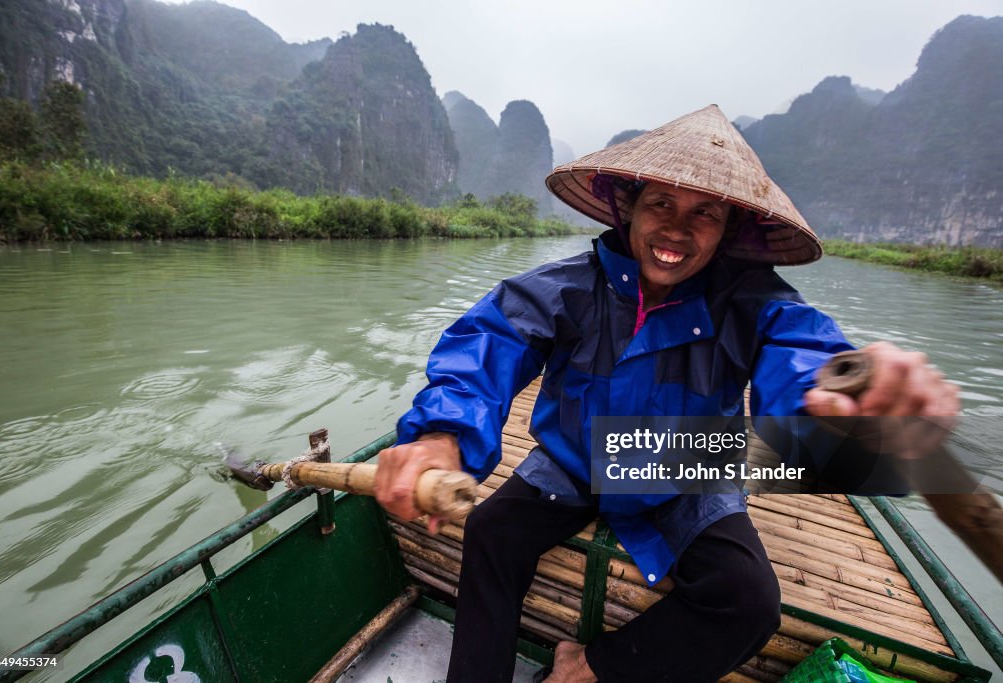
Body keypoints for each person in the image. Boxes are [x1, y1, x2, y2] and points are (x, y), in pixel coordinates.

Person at [374, 105, 958, 682]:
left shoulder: (755, 302)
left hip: (688, 471)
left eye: (705, 212)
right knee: (490, 535)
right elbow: (489, 344)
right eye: (661, 203)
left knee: (749, 601)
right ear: (629, 209)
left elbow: (806, 359)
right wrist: (442, 434)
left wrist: (842, 398)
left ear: (729, 227)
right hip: (574, 462)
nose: (677, 228)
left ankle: (589, 667)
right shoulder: (565, 288)